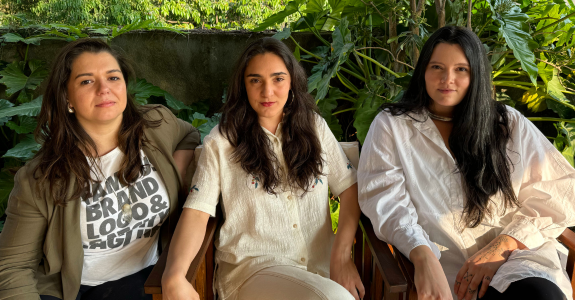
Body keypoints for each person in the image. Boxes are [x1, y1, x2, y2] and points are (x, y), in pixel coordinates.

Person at [358, 26, 575, 300]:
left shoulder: (507, 123)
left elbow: (561, 192)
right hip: (445, 265)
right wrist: (422, 254)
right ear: (423, 70)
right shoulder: (393, 126)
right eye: (437, 66)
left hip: (517, 257)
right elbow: (385, 200)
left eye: (461, 69)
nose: (447, 79)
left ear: (476, 75)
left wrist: (504, 245)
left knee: (539, 295)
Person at [161, 37, 364, 300]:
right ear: (243, 86)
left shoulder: (314, 127)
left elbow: (349, 187)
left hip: (321, 270)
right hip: (254, 271)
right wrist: (174, 275)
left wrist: (342, 254)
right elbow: (197, 213)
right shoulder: (222, 142)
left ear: (292, 81)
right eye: (255, 80)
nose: (267, 91)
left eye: (278, 79)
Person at [0, 39, 200, 300]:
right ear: (66, 98)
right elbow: (12, 268)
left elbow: (190, 136)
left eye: (113, 77)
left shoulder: (156, 126)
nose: (104, 89)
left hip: (147, 278)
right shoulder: (39, 179)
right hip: (74, 290)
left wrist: (178, 175)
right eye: (86, 81)